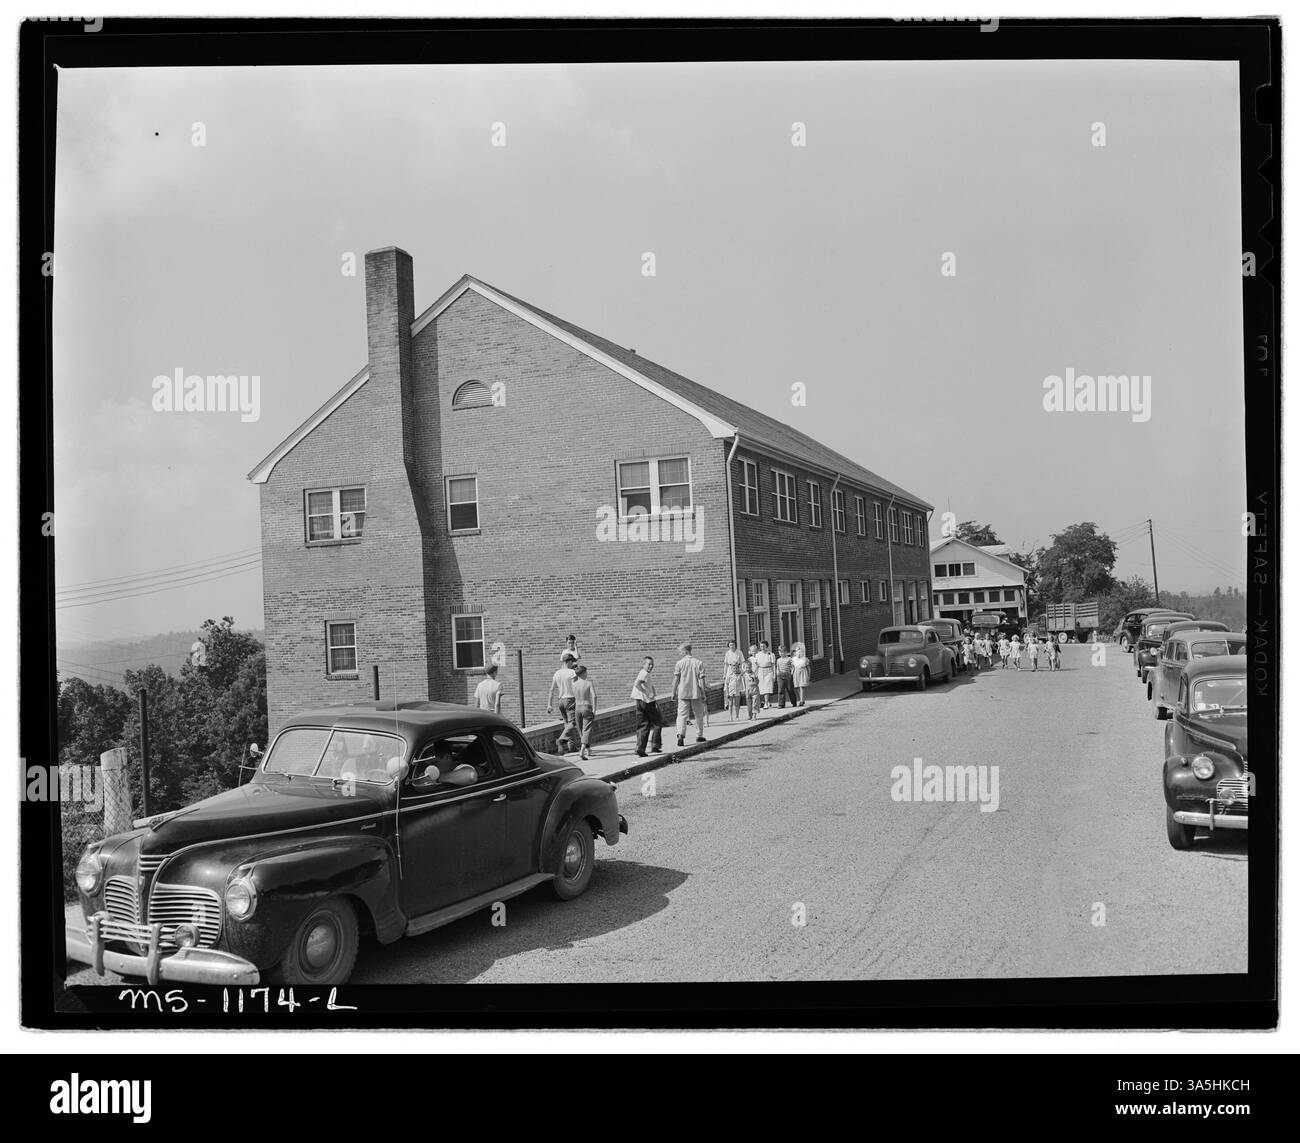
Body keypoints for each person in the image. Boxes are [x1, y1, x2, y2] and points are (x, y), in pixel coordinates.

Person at [671, 641, 708, 746]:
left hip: (683, 692)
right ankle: (699, 735)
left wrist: (673, 692)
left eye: (680, 652)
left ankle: (680, 734)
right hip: (696, 692)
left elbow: (676, 680)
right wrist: (703, 693)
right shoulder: (698, 663)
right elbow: (701, 680)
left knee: (682, 715)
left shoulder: (679, 663)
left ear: (685, 651)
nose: (680, 654)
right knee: (699, 715)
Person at [546, 651, 579, 753]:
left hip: (560, 700)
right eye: (571, 662)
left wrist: (549, 704)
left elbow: (552, 689)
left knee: (567, 724)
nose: (572, 664)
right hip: (570, 699)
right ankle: (560, 740)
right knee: (572, 723)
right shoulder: (572, 672)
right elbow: (575, 687)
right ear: (567, 662)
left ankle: (572, 747)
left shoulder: (557, 673)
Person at [631, 655, 663, 757]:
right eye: (648, 664)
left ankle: (640, 748)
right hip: (647, 702)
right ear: (643, 664)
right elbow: (637, 684)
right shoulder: (644, 673)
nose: (650, 666)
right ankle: (655, 746)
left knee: (642, 725)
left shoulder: (643, 673)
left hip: (639, 701)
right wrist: (647, 693)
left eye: (652, 665)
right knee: (657, 723)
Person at [570, 663, 597, 762]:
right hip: (586, 706)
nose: (587, 674)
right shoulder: (588, 683)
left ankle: (588, 749)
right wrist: (594, 709)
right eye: (586, 672)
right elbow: (594, 696)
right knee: (587, 729)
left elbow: (573, 697)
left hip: (577, 707)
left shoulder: (573, 684)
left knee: (580, 729)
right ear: (583, 673)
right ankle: (582, 750)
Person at [723, 639, 745, 722]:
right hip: (730, 669)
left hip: (738, 669)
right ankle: (727, 706)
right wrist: (724, 674)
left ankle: (737, 716)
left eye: (733, 645)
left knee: (737, 685)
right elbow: (725, 664)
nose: (732, 646)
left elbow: (743, 662)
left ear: (735, 645)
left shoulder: (739, 652)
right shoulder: (727, 653)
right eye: (730, 645)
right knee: (728, 685)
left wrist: (742, 671)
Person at [752, 640, 776, 711]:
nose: (762, 648)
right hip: (760, 671)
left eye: (764, 646)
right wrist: (754, 674)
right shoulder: (758, 654)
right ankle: (766, 701)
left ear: (767, 646)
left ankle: (766, 703)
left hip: (769, 671)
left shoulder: (771, 654)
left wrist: (774, 674)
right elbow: (756, 665)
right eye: (761, 646)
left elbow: (773, 665)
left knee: (767, 687)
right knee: (761, 687)